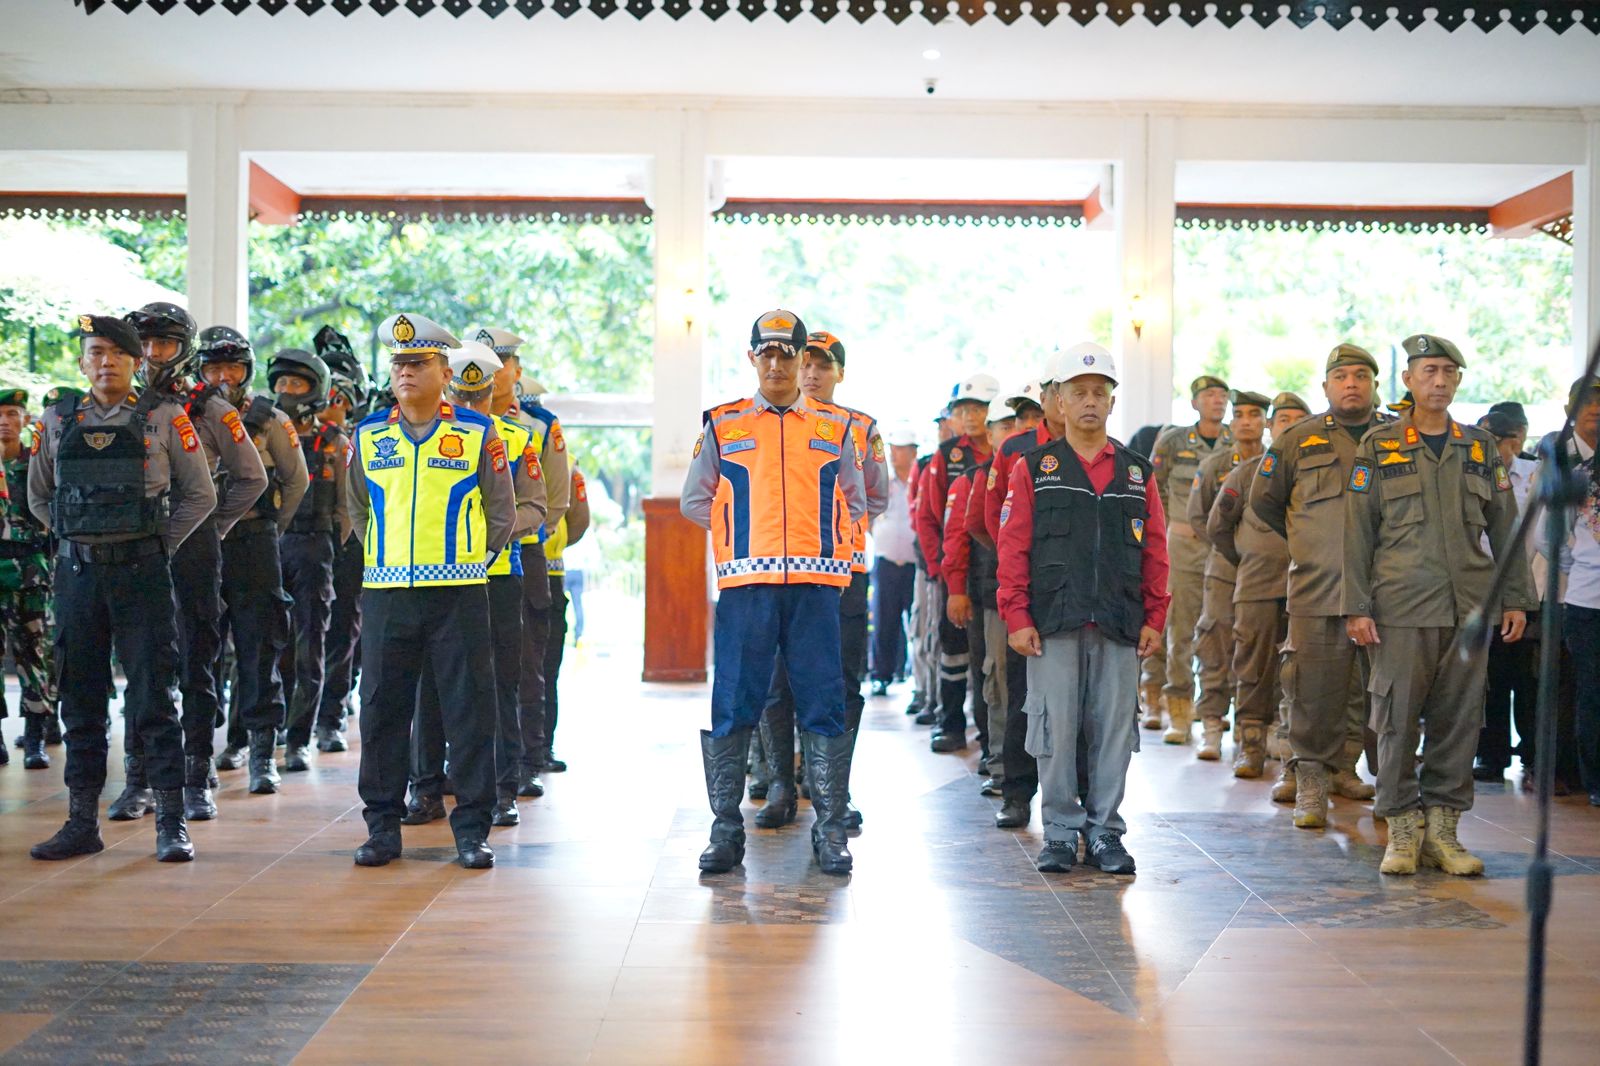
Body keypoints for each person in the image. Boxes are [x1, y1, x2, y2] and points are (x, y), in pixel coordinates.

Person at [680, 309, 867, 876]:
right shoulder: (724, 423)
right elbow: (694, 500)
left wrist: (827, 548)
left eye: (790, 354)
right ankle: (725, 831)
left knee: (823, 702)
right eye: (769, 353)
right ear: (752, 357)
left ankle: (831, 832)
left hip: (815, 589)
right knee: (735, 702)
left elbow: (856, 501)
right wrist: (737, 535)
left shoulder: (834, 429)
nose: (779, 364)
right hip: (746, 587)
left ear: (805, 360)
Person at [28, 314, 217, 862]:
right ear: (83, 362)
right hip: (78, 574)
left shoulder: (165, 416)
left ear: (136, 361)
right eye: (95, 352)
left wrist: (161, 543)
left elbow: (199, 494)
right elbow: (39, 496)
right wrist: (76, 539)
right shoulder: (57, 419)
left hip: (142, 573)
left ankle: (172, 825)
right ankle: (81, 822)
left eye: (116, 352)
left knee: (155, 696)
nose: (105, 361)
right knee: (81, 698)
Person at [1344, 334, 1533, 874]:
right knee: (1397, 719)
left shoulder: (1478, 448)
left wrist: (1515, 596)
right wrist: (1356, 605)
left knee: (1459, 721)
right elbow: (1357, 533)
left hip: (1469, 608)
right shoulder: (1379, 446)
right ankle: (1402, 829)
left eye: (1449, 372)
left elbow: (1505, 527)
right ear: (1408, 380)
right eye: (1429, 371)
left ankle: (1444, 831)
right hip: (1401, 606)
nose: (1440, 381)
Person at [347, 314, 517, 869]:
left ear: (445, 371)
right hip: (387, 594)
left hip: (459, 593)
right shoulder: (370, 434)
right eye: (398, 364)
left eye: (418, 363)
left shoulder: (475, 432)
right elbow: (356, 508)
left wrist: (470, 560)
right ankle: (381, 827)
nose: (406, 373)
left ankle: (471, 829)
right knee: (381, 711)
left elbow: (501, 513)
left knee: (469, 710)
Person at [997, 344, 1168, 874]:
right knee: (1052, 729)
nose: (1090, 402)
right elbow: (1013, 547)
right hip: (1053, 623)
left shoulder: (1138, 473)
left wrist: (1155, 617)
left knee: (1114, 729)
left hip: (1119, 622)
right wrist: (1017, 616)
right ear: (1059, 403)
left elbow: (1157, 549)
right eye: (1079, 393)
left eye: (1100, 392)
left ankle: (1105, 833)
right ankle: (1061, 832)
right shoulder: (1033, 468)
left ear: (1112, 403)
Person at [129, 302, 269, 821]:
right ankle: (138, 775)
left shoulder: (211, 407)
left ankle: (194, 773)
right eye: (143, 343)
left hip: (191, 547)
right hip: (131, 547)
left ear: (183, 348)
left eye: (162, 344)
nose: (150, 354)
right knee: (142, 662)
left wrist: (210, 524)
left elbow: (252, 478)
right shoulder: (120, 401)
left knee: (197, 660)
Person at [404, 340, 546, 829]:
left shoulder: (515, 438)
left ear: (490, 393)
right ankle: (425, 788)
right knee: (430, 687)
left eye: (475, 396)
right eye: (459, 397)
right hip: (432, 576)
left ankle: (502, 788)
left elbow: (535, 507)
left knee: (498, 685)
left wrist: (480, 534)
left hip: (497, 575)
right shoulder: (418, 435)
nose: (466, 406)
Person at [754, 331, 888, 833]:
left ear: (840, 373)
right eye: (805, 363)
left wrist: (839, 532)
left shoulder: (859, 427)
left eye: (822, 366)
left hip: (843, 574)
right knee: (777, 681)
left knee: (841, 682)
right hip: (778, 572)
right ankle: (780, 784)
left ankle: (832, 784)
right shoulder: (767, 424)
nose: (811, 374)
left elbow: (875, 495)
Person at [1250, 344, 1385, 828]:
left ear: (1375, 384)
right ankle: (1310, 778)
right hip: (1318, 585)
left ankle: (1351, 768)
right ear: (1326, 387)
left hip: (1385, 588)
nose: (1352, 383)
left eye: (1361, 376)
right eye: (1341, 376)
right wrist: (1310, 541)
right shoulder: (1297, 440)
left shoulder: (1395, 437)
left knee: (1376, 690)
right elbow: (1265, 502)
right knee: (1311, 687)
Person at [198, 327, 308, 796]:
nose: (224, 377)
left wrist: (270, 529)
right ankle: (198, 753)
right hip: (200, 545)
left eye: (233, 368)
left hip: (254, 545)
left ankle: (262, 753)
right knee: (198, 649)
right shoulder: (187, 416)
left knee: (260, 647)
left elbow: (296, 482)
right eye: (214, 368)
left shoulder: (269, 419)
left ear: (247, 371)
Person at [985, 354, 1073, 830]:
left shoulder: (1103, 451)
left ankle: (1078, 803)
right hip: (1029, 591)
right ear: (1044, 399)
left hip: (1080, 594)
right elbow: (991, 519)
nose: (1066, 400)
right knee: (1023, 695)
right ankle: (1018, 793)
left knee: (1079, 704)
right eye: (1057, 390)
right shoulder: (1016, 449)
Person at [480, 327, 569, 778]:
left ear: (517, 371)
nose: (493, 376)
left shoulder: (539, 425)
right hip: (464, 561)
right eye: (484, 366)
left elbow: (554, 499)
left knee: (527, 661)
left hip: (525, 554)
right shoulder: (454, 421)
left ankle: (529, 756)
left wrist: (518, 535)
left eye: (502, 366)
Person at [1208, 392, 1309, 780]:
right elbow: (1218, 527)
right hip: (1256, 587)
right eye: (1283, 420)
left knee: (1302, 674)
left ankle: (1292, 752)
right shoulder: (1247, 473)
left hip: (1308, 589)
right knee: (1253, 669)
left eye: (1299, 421)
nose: (1290, 427)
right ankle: (1250, 747)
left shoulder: (1318, 475)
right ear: (1272, 427)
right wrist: (1249, 559)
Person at [947, 384, 1037, 796]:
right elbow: (968, 531)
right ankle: (1002, 764)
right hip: (994, 593)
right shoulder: (977, 477)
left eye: (1024, 419)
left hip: (1052, 597)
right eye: (1010, 422)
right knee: (999, 682)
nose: (1018, 429)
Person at [269, 348, 353, 772]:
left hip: (314, 549)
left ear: (315, 390)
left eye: (296, 384)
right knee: (268, 646)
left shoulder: (335, 443)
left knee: (310, 646)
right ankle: (265, 732)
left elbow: (346, 508)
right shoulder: (261, 434)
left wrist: (328, 549)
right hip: (268, 549)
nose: (286, 391)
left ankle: (301, 736)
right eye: (281, 383)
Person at [916, 373, 1001, 753]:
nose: (970, 416)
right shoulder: (947, 454)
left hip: (995, 571)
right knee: (952, 649)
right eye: (963, 409)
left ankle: (990, 736)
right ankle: (950, 723)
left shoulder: (1007, 450)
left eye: (978, 408)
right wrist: (942, 573)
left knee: (989, 658)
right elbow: (929, 518)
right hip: (955, 569)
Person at [1147, 375, 1233, 742]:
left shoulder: (1239, 442)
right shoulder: (1173, 441)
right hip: (1182, 546)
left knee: (1221, 628)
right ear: (1195, 402)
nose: (1217, 401)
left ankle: (1213, 706)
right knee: (1179, 627)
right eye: (1209, 395)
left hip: (1225, 547)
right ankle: (1177, 709)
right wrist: (1170, 529)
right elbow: (1154, 490)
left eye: (1222, 395)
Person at [1187, 390, 1271, 760]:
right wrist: (1235, 548)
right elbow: (1198, 516)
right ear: (1232, 423)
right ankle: (1211, 724)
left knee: (1258, 648)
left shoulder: (1279, 464)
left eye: (1255, 414)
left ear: (1266, 422)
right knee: (1215, 641)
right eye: (1240, 415)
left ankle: (1253, 730)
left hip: (1268, 573)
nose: (1247, 421)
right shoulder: (1215, 464)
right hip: (1225, 569)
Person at [311, 326, 371, 751]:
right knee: (301, 631)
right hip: (303, 538)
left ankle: (331, 714)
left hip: (347, 541)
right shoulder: (297, 428)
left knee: (343, 630)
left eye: (340, 399)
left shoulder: (360, 438)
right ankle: (298, 715)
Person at [1473, 405, 1539, 783]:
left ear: (1514, 440)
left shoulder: (1534, 476)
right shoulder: (1472, 472)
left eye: (1494, 442)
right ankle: (1491, 755)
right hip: (1481, 590)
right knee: (1490, 677)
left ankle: (1532, 755)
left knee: (1528, 680)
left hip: (1525, 587)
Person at [1550, 376, 1600, 806]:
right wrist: (1583, 570)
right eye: (1589, 404)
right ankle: (1595, 781)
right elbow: (1557, 542)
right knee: (1592, 692)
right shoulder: (1574, 469)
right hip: (1587, 603)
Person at [0, 389, 54, 770]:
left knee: (35, 655)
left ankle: (35, 737)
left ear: (25, 419)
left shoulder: (36, 462)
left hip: (31, 572)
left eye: (12, 413)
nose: (4, 421)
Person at [869, 424, 919, 697]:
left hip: (916, 564)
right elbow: (868, 518)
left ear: (913, 452)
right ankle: (881, 676)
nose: (894, 454)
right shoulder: (882, 484)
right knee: (884, 622)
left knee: (917, 623)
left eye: (900, 449)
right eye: (892, 449)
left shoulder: (921, 481)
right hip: (886, 562)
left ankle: (917, 679)